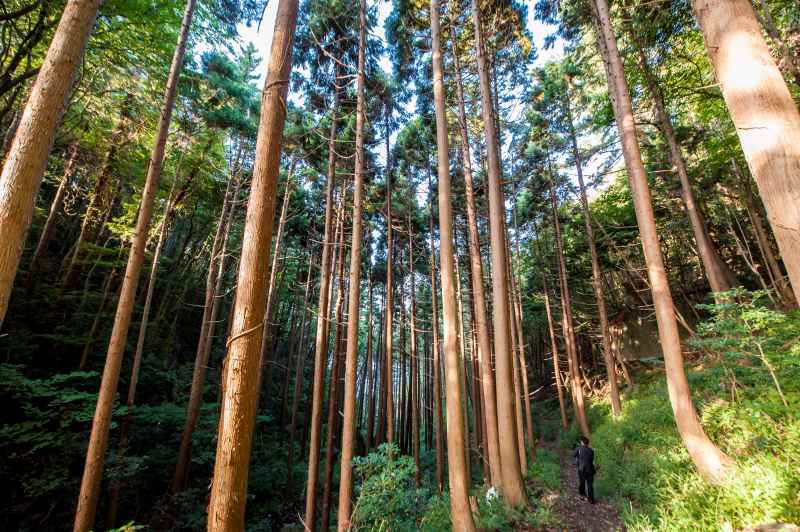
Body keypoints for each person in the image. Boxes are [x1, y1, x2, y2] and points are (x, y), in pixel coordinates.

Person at [572, 436, 596, 504]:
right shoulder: (591, 451)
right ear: (587, 443)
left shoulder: (578, 449)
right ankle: (591, 499)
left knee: (582, 483)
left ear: (582, 442)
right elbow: (591, 460)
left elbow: (573, 455)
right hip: (590, 469)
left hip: (581, 469)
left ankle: (582, 496)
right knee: (590, 485)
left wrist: (576, 461)